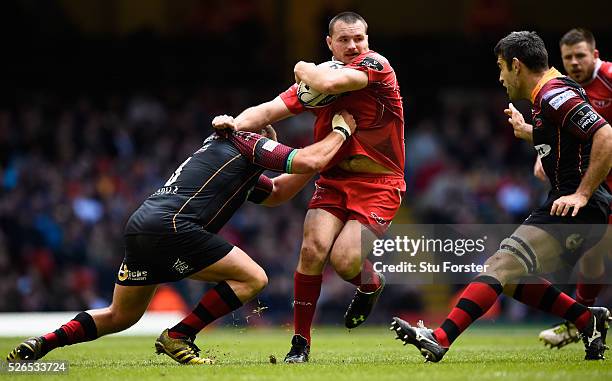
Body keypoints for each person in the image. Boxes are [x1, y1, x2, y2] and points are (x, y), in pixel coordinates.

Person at [6, 111, 357, 365]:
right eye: (270, 136)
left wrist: (318, 164)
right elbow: (308, 159)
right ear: (260, 134)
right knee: (254, 278)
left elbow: (279, 192)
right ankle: (179, 335)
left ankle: (43, 343)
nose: (272, 143)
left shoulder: (230, 159)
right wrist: (340, 132)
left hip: (144, 224)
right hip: (171, 226)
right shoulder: (247, 141)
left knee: (120, 316)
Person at [391, 31, 612, 362]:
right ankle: (586, 318)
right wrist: (531, 135)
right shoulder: (551, 96)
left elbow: (605, 134)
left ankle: (440, 338)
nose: (500, 77)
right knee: (508, 277)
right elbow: (572, 141)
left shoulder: (554, 95)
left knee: (500, 265)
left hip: (579, 207)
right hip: (567, 202)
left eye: (501, 67)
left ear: (516, 65)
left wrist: (582, 193)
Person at [212, 11, 405, 363]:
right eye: (343, 40)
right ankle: (300, 343)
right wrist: (232, 124)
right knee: (312, 251)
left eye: (358, 38)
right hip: (333, 179)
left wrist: (301, 65)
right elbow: (269, 110)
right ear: (330, 43)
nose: (352, 45)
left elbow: (328, 84)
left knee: (345, 262)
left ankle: (369, 283)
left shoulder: (376, 66)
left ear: (367, 40)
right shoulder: (321, 79)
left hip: (378, 183)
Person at [510, 28, 611, 349]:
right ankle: (581, 321)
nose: (574, 63)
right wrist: (542, 146)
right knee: (592, 256)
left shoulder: (609, 78)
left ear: (595, 55)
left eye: (580, 55)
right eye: (568, 57)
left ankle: (581, 320)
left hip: (597, 176)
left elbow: (603, 134)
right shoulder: (561, 89)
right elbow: (565, 135)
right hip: (599, 179)